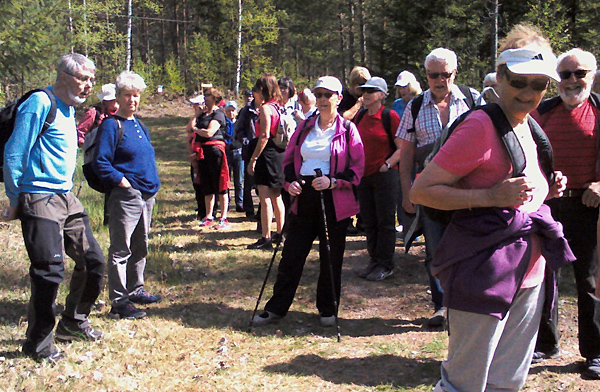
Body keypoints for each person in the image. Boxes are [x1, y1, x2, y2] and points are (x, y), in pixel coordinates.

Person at [411, 25, 574, 392]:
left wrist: (548, 191)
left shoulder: (528, 126)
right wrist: (489, 197)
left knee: (506, 383)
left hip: (529, 274)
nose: (528, 93)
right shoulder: (481, 126)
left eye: (539, 85)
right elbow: (423, 190)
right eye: (519, 82)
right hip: (484, 272)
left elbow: (517, 193)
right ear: (499, 77)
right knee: (464, 383)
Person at [3, 53, 105, 363]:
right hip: (39, 197)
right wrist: (14, 199)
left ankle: (73, 322)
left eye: (91, 80)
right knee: (49, 272)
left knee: (93, 262)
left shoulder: (70, 108)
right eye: (82, 79)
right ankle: (38, 344)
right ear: (62, 76)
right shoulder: (40, 102)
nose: (88, 86)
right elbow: (14, 153)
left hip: (66, 198)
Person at [251, 76, 364, 326]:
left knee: (331, 257)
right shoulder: (305, 126)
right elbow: (289, 160)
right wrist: (289, 182)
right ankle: (277, 308)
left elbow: (357, 169)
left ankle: (328, 309)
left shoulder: (347, 129)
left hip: (334, 198)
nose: (323, 99)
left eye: (328, 95)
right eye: (319, 95)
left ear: (339, 98)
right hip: (303, 196)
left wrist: (333, 181)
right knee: (291, 255)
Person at [396, 47, 481, 327]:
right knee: (435, 249)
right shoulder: (415, 106)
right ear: (426, 76)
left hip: (468, 189)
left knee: (470, 246)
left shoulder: (473, 100)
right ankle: (441, 305)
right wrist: (407, 191)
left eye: (445, 74)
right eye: (434, 75)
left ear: (454, 73)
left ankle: (467, 303)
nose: (440, 80)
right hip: (429, 190)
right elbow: (406, 153)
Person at [530, 48, 600, 379]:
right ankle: (546, 343)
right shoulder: (541, 112)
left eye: (579, 73)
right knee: (542, 277)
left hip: (589, 207)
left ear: (592, 76)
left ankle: (595, 353)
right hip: (547, 205)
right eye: (565, 74)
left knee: (588, 280)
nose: (572, 80)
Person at [92, 71, 162, 320]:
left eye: (136, 95)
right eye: (127, 95)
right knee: (121, 250)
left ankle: (136, 289)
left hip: (146, 195)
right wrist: (122, 182)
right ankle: (119, 301)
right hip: (126, 196)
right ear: (117, 98)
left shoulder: (138, 124)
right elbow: (101, 162)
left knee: (140, 246)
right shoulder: (112, 125)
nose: (132, 100)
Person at [353, 77, 401, 281]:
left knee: (385, 222)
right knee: (369, 222)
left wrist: (387, 165)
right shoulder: (360, 117)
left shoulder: (390, 116)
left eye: (371, 91)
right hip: (364, 176)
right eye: (364, 90)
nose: (366, 94)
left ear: (381, 95)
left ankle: (386, 264)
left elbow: (403, 147)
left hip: (385, 176)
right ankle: (374, 260)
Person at [246, 75, 286, 250]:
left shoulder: (265, 109)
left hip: (266, 154)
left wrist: (253, 159)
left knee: (265, 197)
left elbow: (264, 135)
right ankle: (280, 233)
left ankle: (266, 236)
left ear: (262, 90)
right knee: (277, 196)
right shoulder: (279, 107)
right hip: (278, 153)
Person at [190, 88, 230, 230]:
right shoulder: (203, 114)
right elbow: (189, 128)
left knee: (220, 184)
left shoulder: (218, 113)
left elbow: (209, 132)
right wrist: (197, 114)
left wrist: (196, 130)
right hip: (203, 152)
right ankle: (209, 216)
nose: (204, 98)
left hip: (215, 151)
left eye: (207, 96)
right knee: (206, 185)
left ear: (214, 98)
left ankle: (223, 217)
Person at [235, 89, 260, 218]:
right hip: (249, 150)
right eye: (248, 95)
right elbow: (238, 130)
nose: (250, 97)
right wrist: (245, 140)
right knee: (248, 182)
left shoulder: (266, 108)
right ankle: (249, 209)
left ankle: (262, 212)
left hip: (263, 150)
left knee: (262, 183)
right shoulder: (245, 111)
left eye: (252, 95)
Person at [186, 94, 207, 219]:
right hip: (194, 155)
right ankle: (201, 209)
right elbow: (189, 131)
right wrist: (191, 154)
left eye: (197, 105)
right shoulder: (195, 119)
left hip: (204, 155)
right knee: (196, 184)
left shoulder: (207, 119)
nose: (194, 107)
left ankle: (208, 211)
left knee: (205, 184)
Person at [224, 100, 244, 213]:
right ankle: (226, 201)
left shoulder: (240, 123)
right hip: (227, 152)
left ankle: (239, 203)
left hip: (238, 151)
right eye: (229, 111)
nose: (231, 113)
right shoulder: (224, 123)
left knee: (239, 180)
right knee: (227, 179)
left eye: (233, 110)